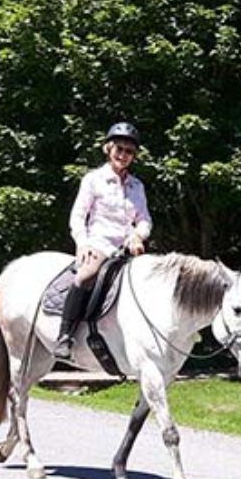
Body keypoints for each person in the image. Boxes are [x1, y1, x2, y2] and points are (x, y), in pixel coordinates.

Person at [54, 121, 151, 361]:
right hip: (99, 243)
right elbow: (78, 215)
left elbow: (144, 219)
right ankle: (65, 336)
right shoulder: (93, 179)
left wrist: (139, 234)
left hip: (127, 249)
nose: (123, 155)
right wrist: (82, 243)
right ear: (108, 149)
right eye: (119, 149)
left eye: (129, 152)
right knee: (86, 275)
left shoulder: (137, 186)